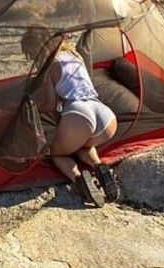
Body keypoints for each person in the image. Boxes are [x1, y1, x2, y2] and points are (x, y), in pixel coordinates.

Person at [22, 32, 120, 206]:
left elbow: (51, 105)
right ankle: (99, 166)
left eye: (31, 54)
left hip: (79, 113)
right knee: (83, 146)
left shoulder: (50, 66)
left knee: (58, 155)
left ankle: (79, 181)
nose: (32, 59)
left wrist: (32, 107)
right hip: (105, 115)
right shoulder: (75, 55)